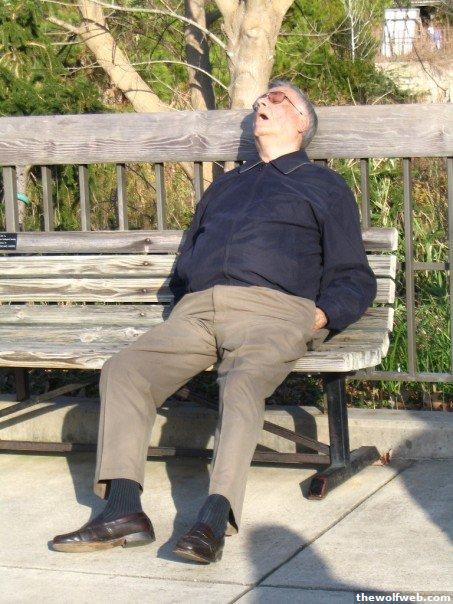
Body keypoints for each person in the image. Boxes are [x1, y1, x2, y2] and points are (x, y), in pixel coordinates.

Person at [51, 79, 377, 563]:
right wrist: (188, 295)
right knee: (126, 370)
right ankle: (122, 510)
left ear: (302, 123)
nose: (263, 101)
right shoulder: (226, 185)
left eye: (278, 98)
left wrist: (323, 314)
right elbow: (190, 253)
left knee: (242, 382)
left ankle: (213, 517)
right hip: (199, 312)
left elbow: (353, 273)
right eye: (262, 97)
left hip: (274, 312)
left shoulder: (323, 185)